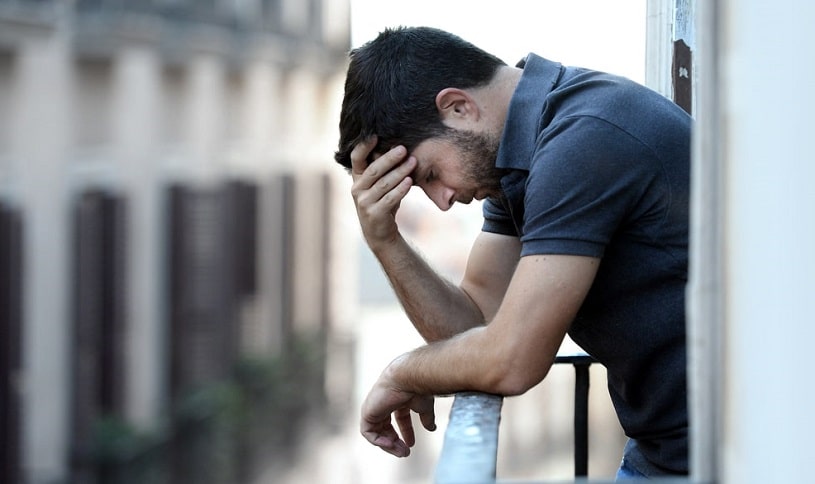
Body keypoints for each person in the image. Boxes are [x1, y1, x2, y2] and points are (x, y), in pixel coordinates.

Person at [334, 26, 691, 479]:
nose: (443, 201)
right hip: (664, 452)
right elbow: (474, 326)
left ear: (458, 107)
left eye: (430, 174)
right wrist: (385, 239)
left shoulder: (582, 140)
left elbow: (511, 361)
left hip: (725, 455)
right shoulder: (522, 160)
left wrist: (403, 372)